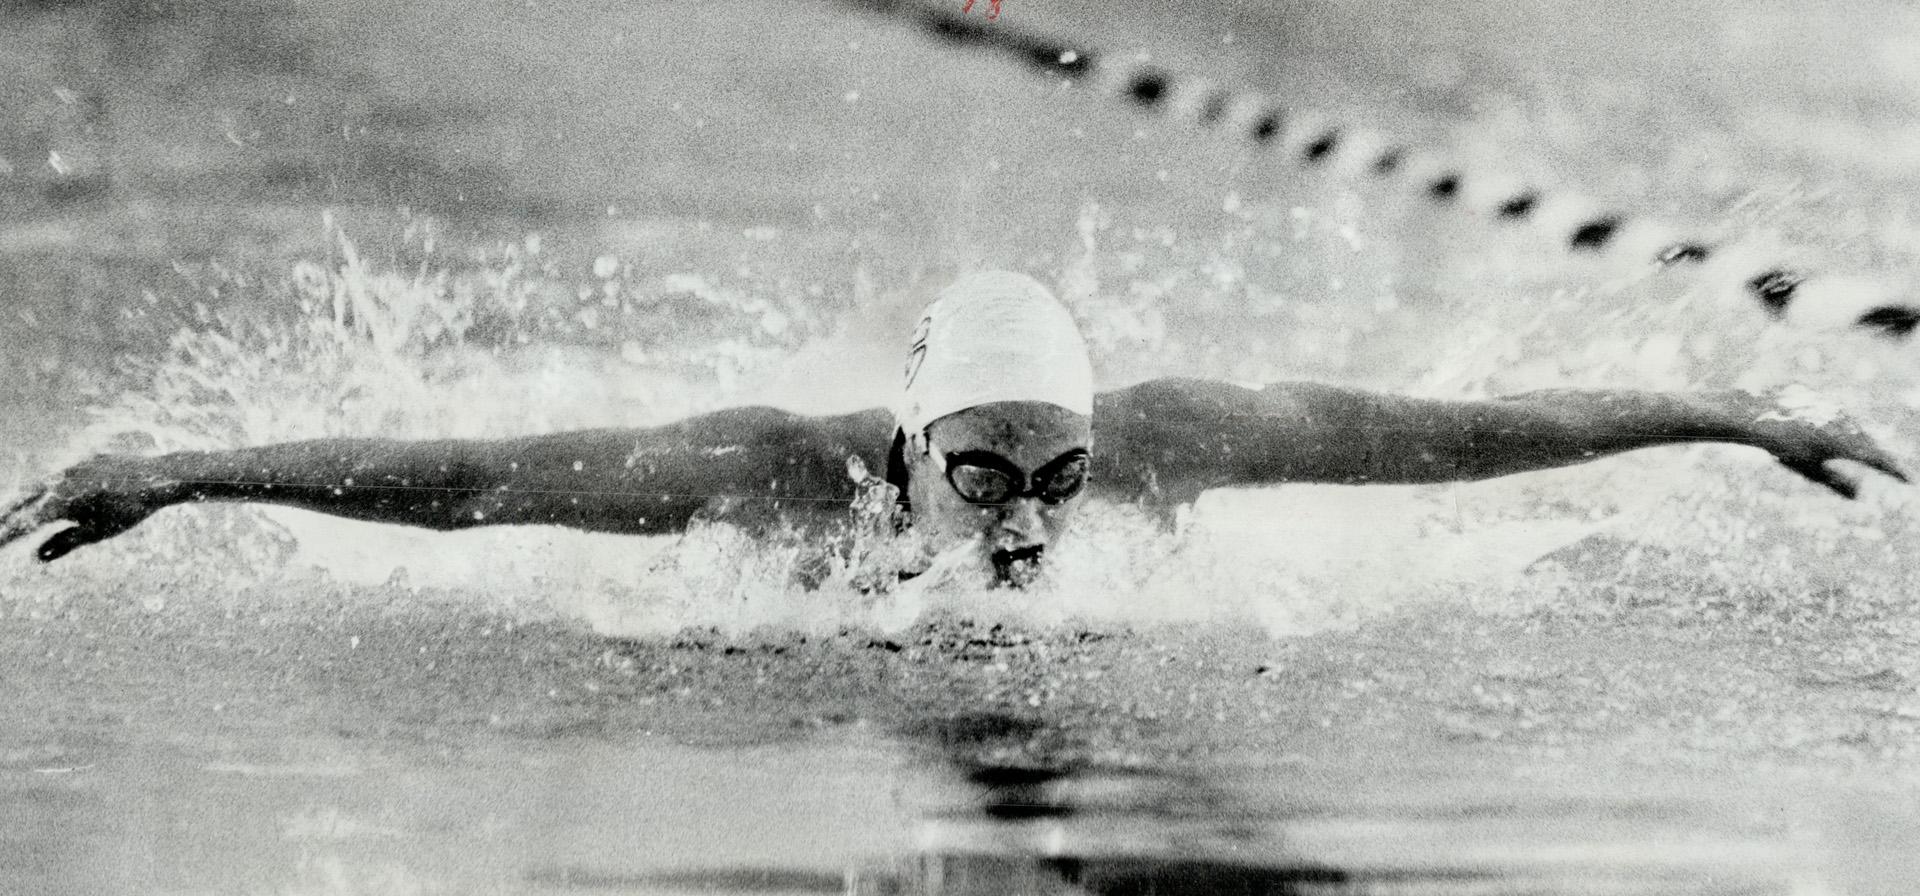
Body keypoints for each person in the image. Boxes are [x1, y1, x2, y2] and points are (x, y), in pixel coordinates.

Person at [0, 271, 1906, 588]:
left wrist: (1731, 413)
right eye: (983, 477)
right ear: (908, 453)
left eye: (1058, 481)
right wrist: (179, 469)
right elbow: (486, 484)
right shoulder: (766, 471)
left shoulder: (1177, 439)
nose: (1027, 521)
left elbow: (1479, 433)